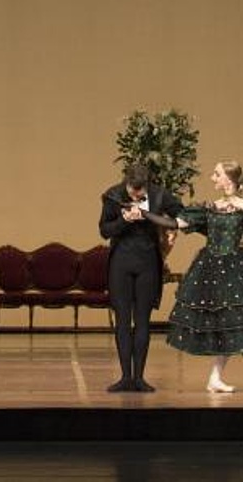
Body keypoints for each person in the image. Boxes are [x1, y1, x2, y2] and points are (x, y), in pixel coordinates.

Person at [163, 161, 243, 393]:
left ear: (229, 179)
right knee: (228, 323)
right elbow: (175, 222)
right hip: (211, 269)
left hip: (236, 269)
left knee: (236, 322)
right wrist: (145, 213)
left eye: (217, 174)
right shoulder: (212, 207)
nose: (213, 178)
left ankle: (229, 374)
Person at [99, 162, 184, 393]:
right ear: (126, 184)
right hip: (121, 262)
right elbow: (104, 230)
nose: (138, 194)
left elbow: (181, 213)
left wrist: (167, 227)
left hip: (148, 261)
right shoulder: (113, 195)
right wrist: (124, 220)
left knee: (143, 320)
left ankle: (140, 378)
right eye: (134, 191)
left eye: (141, 191)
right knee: (123, 320)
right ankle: (125, 377)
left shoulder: (159, 195)